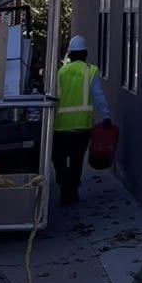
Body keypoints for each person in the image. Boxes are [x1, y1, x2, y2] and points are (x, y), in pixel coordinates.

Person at [51, 35, 109, 209]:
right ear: (85, 53)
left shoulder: (61, 72)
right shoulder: (91, 71)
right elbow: (98, 96)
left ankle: (63, 183)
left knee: (58, 159)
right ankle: (73, 188)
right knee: (77, 160)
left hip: (61, 126)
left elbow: (54, 97)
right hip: (82, 127)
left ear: (69, 54)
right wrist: (106, 116)